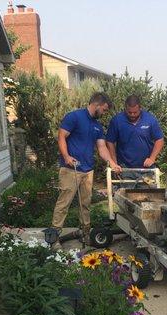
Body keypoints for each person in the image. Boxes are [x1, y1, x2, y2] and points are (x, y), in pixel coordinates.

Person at [51, 92, 121, 249]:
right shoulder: (74, 117)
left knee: (85, 205)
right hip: (71, 169)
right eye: (103, 110)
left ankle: (85, 234)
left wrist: (112, 163)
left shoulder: (97, 125)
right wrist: (66, 156)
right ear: (96, 105)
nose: (104, 113)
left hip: (88, 171)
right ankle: (54, 238)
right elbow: (61, 136)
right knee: (64, 204)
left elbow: (102, 147)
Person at [106, 95, 164, 186]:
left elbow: (159, 140)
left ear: (140, 108)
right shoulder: (117, 121)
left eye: (135, 112)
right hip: (125, 168)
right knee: (126, 197)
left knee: (148, 196)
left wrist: (152, 158)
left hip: (146, 168)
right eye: (130, 112)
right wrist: (114, 162)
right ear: (125, 108)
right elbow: (110, 142)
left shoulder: (150, 120)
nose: (132, 115)